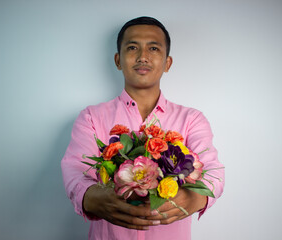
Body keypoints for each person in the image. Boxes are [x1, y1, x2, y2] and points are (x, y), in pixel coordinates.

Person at [61, 16, 225, 240]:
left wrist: (195, 198)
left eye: (154, 48)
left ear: (167, 63)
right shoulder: (91, 117)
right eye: (132, 47)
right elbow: (75, 171)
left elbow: (213, 172)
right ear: (118, 60)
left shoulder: (191, 119)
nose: (143, 57)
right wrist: (91, 197)